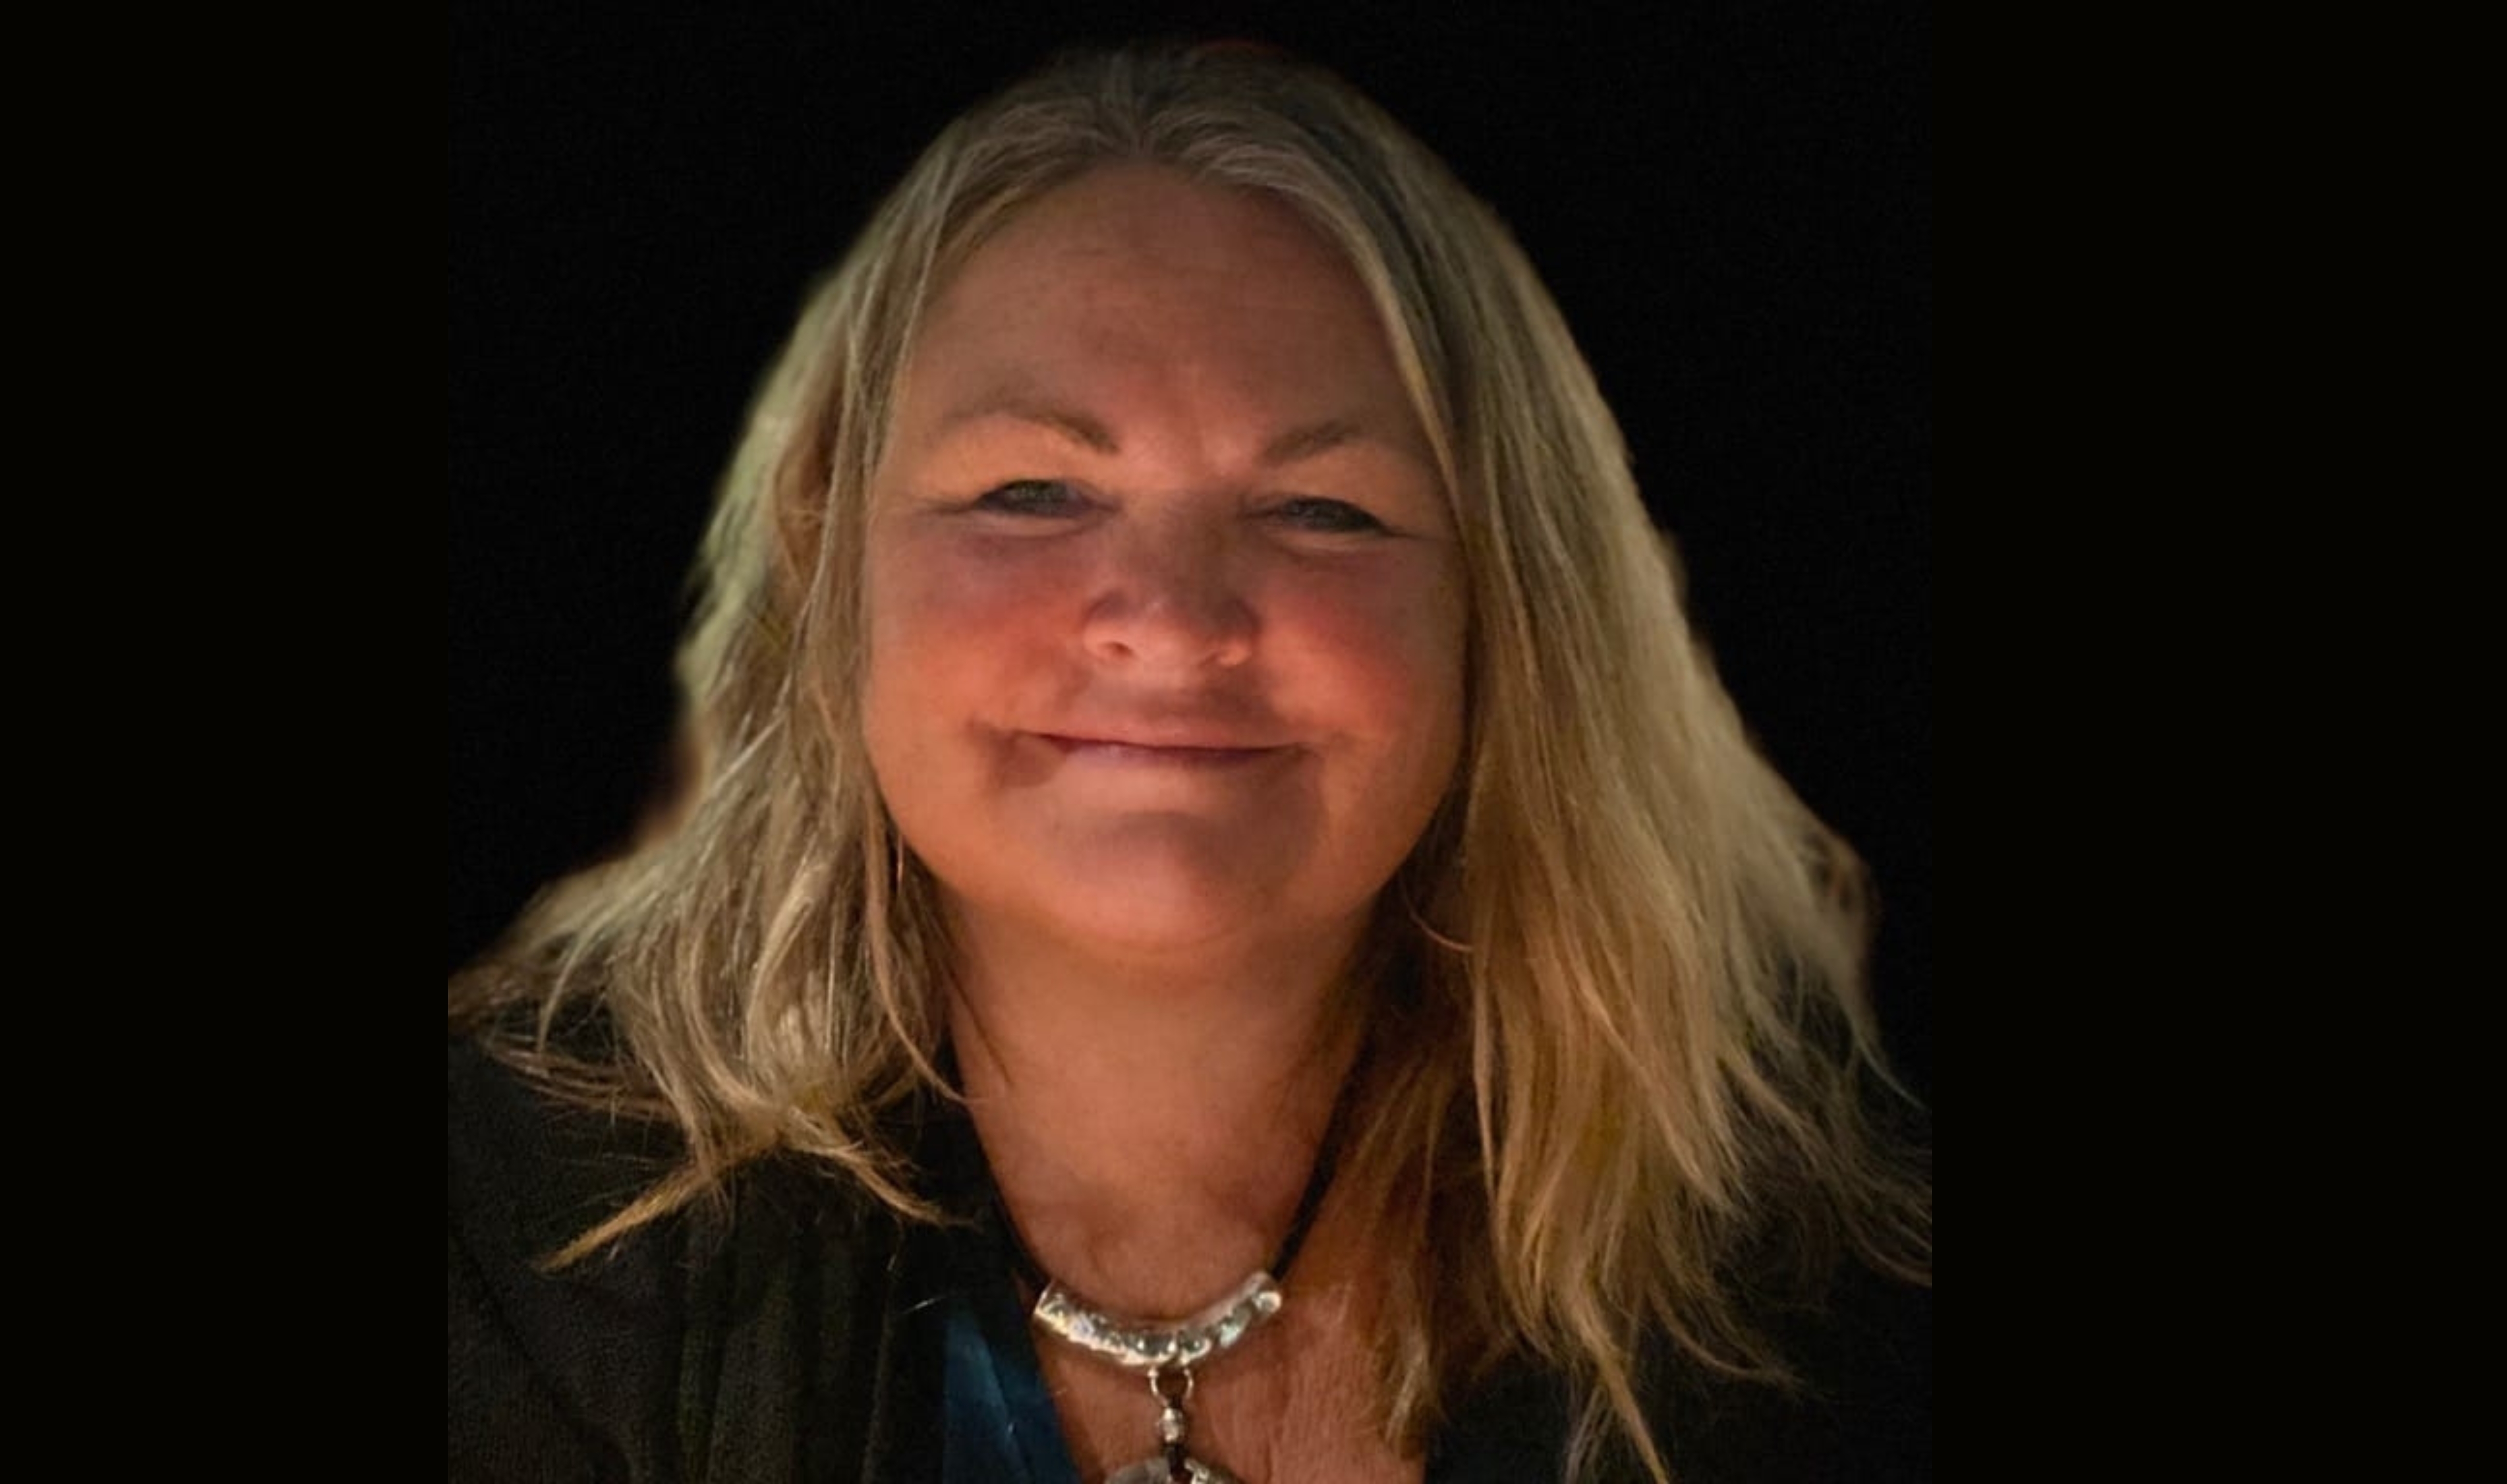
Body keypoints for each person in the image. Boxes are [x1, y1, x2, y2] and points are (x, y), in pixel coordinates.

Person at [449, 38, 1930, 1484]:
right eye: (1033, 491)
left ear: (1505, 612)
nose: (1169, 622)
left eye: (1321, 510)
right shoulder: (506, 1220)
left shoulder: (1846, 1266)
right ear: (831, 555)